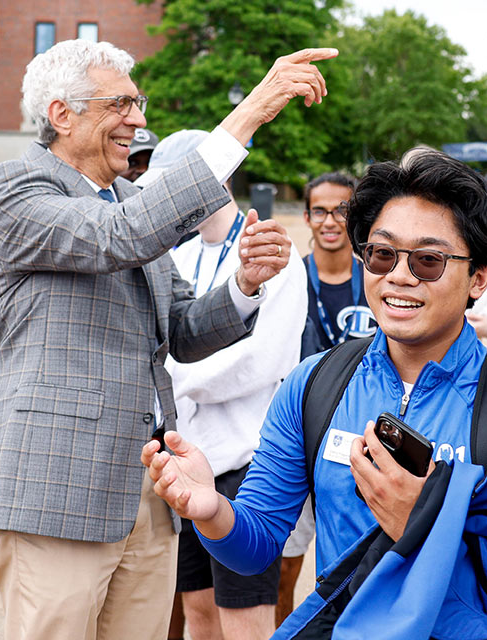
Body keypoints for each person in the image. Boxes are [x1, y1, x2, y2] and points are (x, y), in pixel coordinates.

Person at [0, 38, 337, 640]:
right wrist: (247, 117)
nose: (139, 120)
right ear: (61, 114)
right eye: (120, 104)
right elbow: (121, 235)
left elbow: (184, 331)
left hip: (150, 489)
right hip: (59, 487)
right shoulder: (17, 189)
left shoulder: (129, 202)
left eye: (138, 103)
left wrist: (245, 284)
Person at [141, 150, 487, 616]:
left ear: (479, 277)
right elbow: (257, 545)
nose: (398, 276)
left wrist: (424, 526)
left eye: (428, 261)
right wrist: (211, 509)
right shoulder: (313, 384)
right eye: (382, 254)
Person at [149, 129, 308, 640]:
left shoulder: (272, 255)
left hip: (249, 464)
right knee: (196, 612)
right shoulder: (175, 257)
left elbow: (263, 360)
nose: (169, 201)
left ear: (212, 180)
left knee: (247, 620)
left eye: (176, 186)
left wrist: (177, 376)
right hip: (186, 465)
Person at [299, 172, 375, 357]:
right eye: (319, 212)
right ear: (307, 218)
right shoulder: (292, 280)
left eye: (341, 212)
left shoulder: (377, 281)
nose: (329, 222)